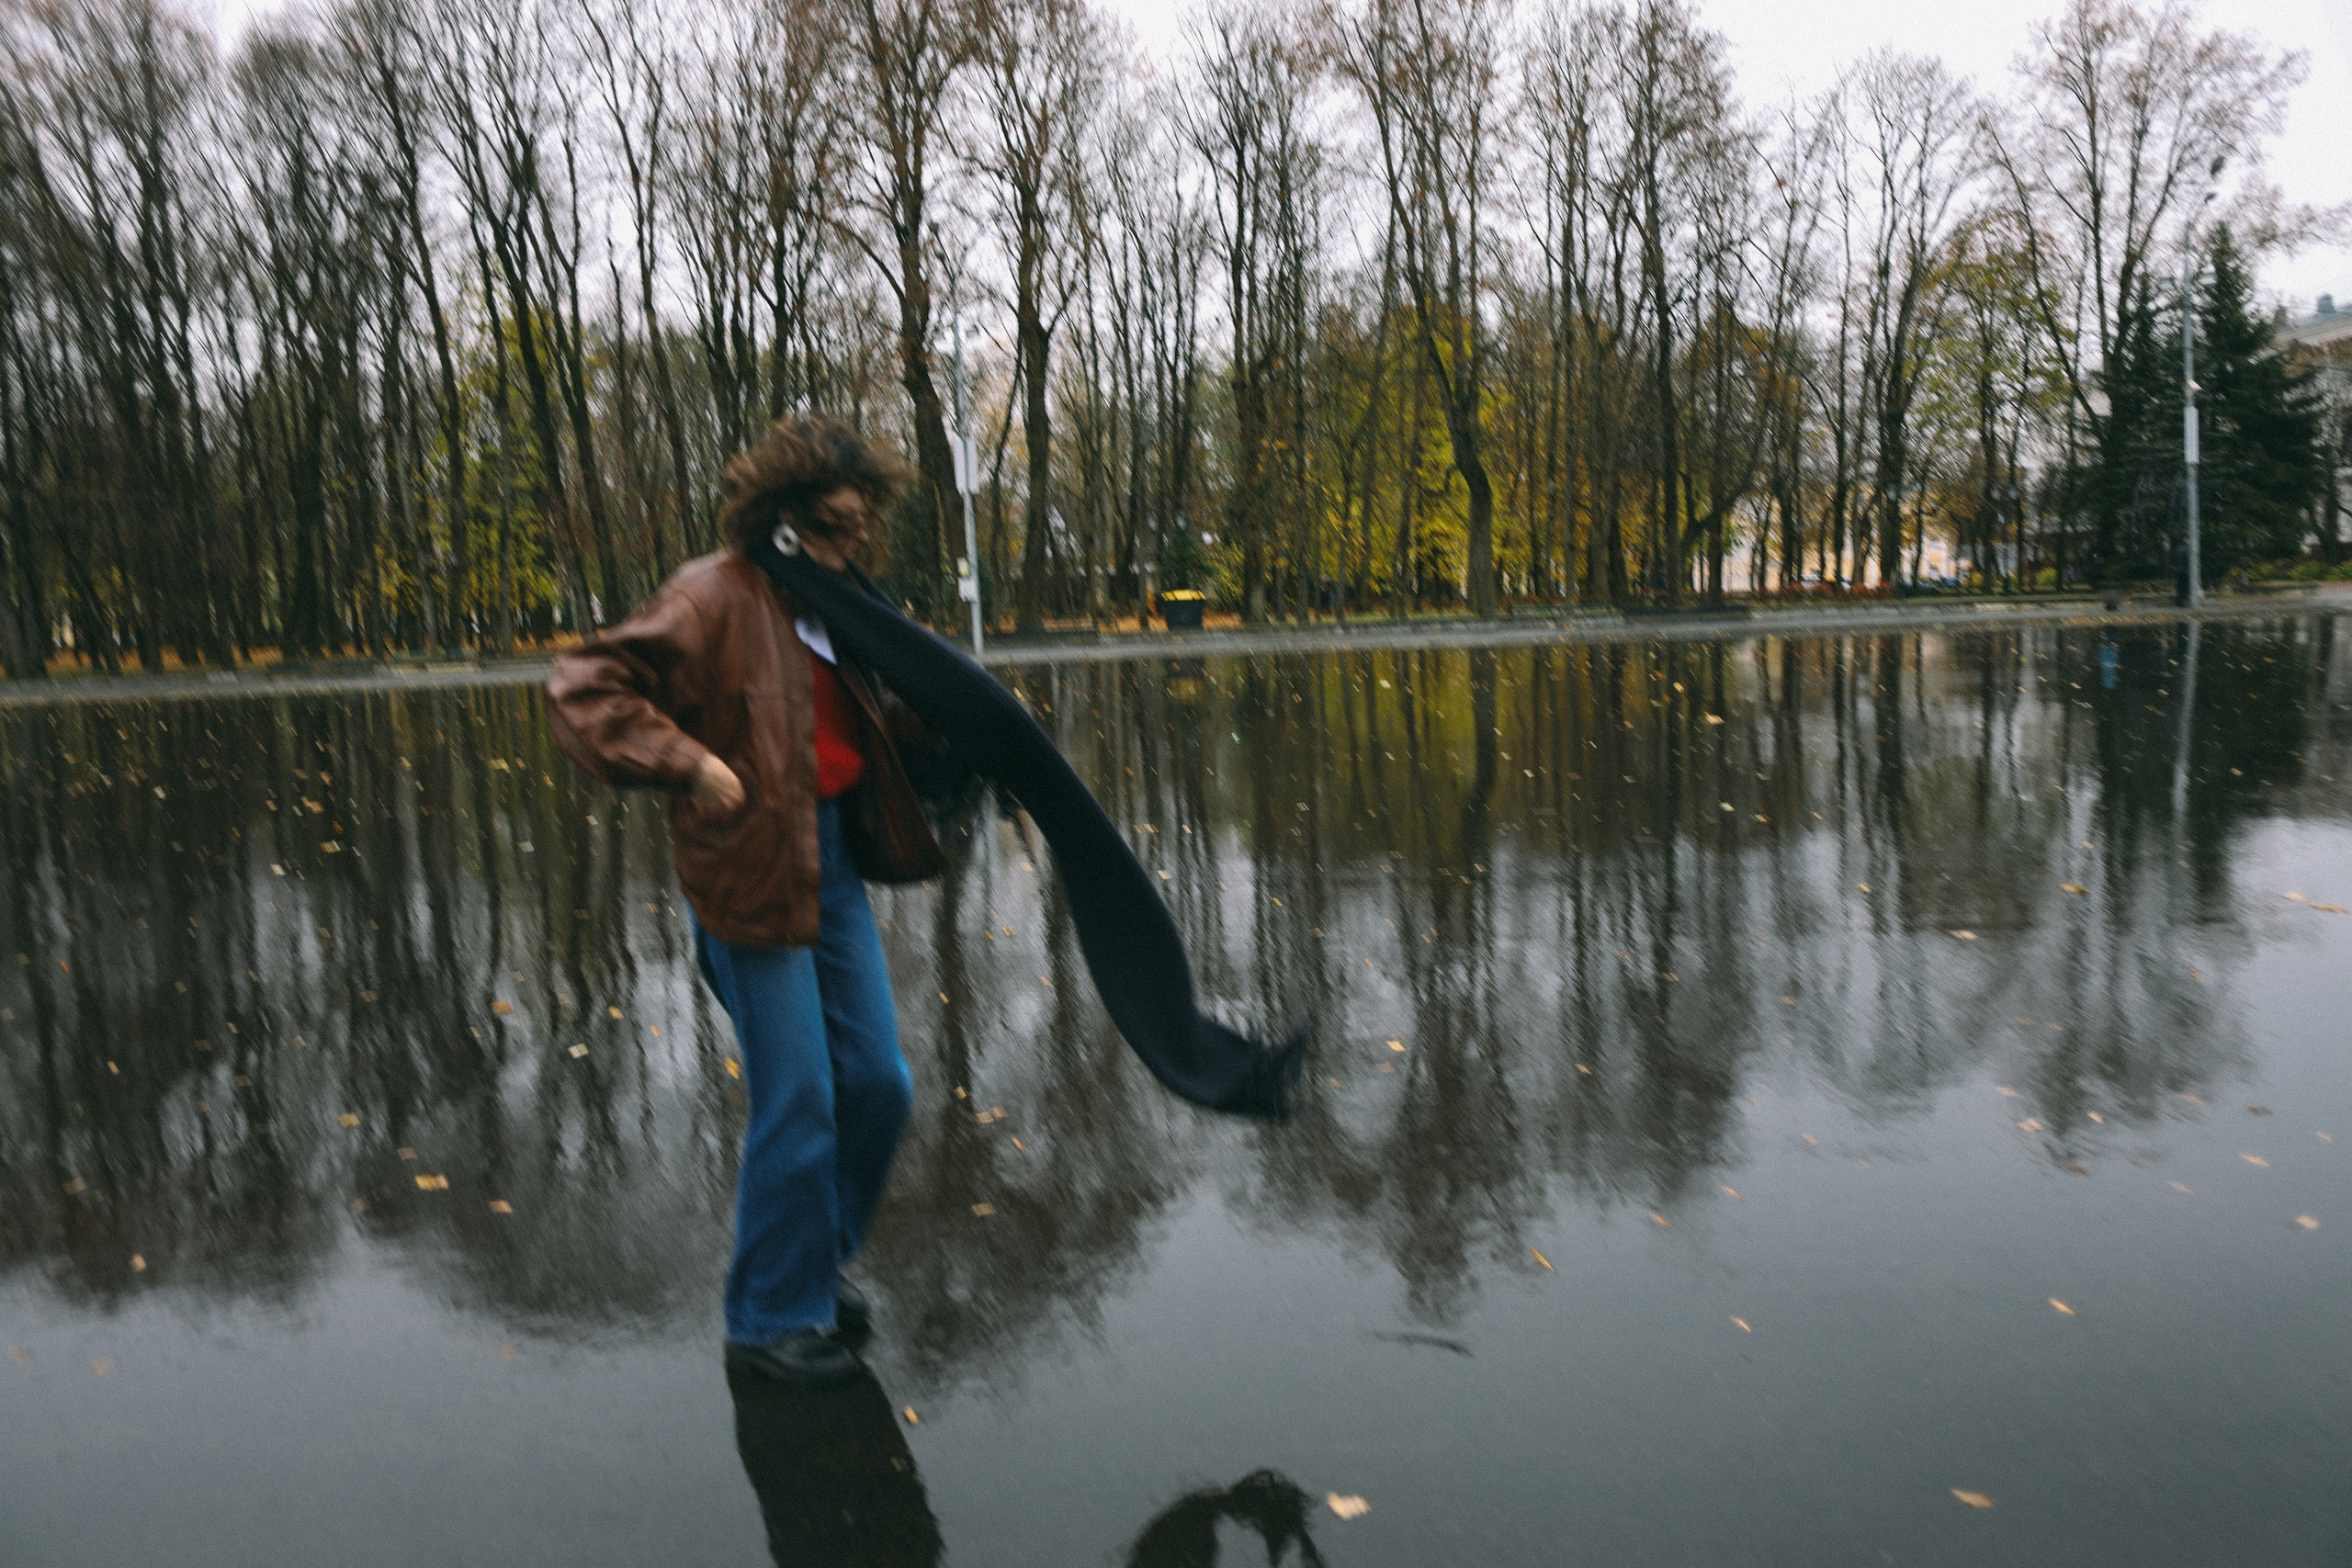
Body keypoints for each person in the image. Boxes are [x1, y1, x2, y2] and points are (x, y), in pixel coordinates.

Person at [547, 414, 942, 1387]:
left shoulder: (837, 598)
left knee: (880, 1085)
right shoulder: (709, 595)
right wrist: (685, 760)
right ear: (779, 519)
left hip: (833, 869)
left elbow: (866, 722)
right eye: (835, 527)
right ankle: (770, 1319)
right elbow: (584, 688)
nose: (854, 546)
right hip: (747, 882)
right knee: (801, 1095)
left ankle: (806, 1262)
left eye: (861, 528)